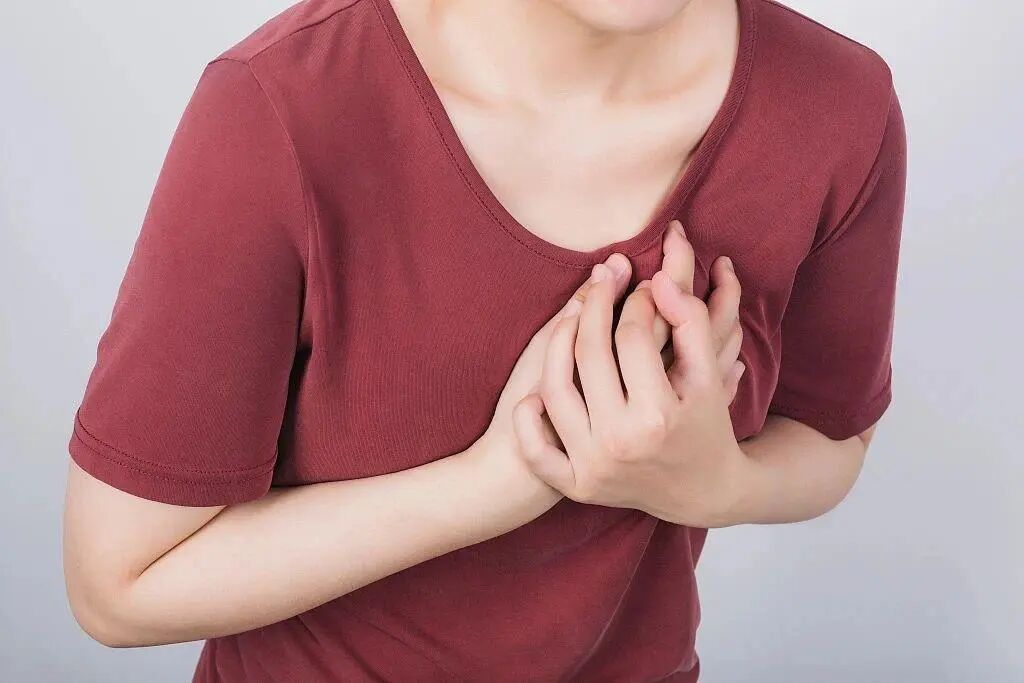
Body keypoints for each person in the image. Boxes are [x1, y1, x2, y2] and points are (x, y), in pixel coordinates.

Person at [61, 0, 907, 680]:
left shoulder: (835, 109)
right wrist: (495, 481)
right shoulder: (283, 108)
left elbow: (834, 438)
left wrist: (715, 482)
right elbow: (118, 585)